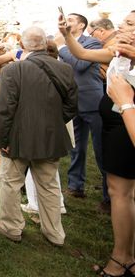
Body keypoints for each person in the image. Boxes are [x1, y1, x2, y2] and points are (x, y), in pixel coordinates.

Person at [58, 10, 135, 277]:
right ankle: (125, 253)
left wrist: (125, 101)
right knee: (119, 190)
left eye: (129, 23)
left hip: (127, 123)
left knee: (123, 192)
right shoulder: (116, 54)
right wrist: (67, 35)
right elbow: (81, 54)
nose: (121, 26)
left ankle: (122, 259)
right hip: (115, 123)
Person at [0, 26, 77, 247]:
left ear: (23, 46)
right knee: (49, 186)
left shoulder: (13, 70)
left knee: (10, 182)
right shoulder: (64, 68)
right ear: (43, 44)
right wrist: (53, 123)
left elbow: (4, 110)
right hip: (50, 137)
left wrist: (1, 140)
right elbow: (71, 106)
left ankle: (11, 227)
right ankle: (54, 233)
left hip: (18, 138)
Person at [55, 13, 108, 208]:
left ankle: (109, 196)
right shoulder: (66, 44)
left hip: (92, 102)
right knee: (76, 147)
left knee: (101, 149)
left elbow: (80, 63)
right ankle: (76, 186)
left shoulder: (92, 43)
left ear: (82, 25)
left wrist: (61, 46)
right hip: (71, 103)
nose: (66, 23)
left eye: (71, 20)